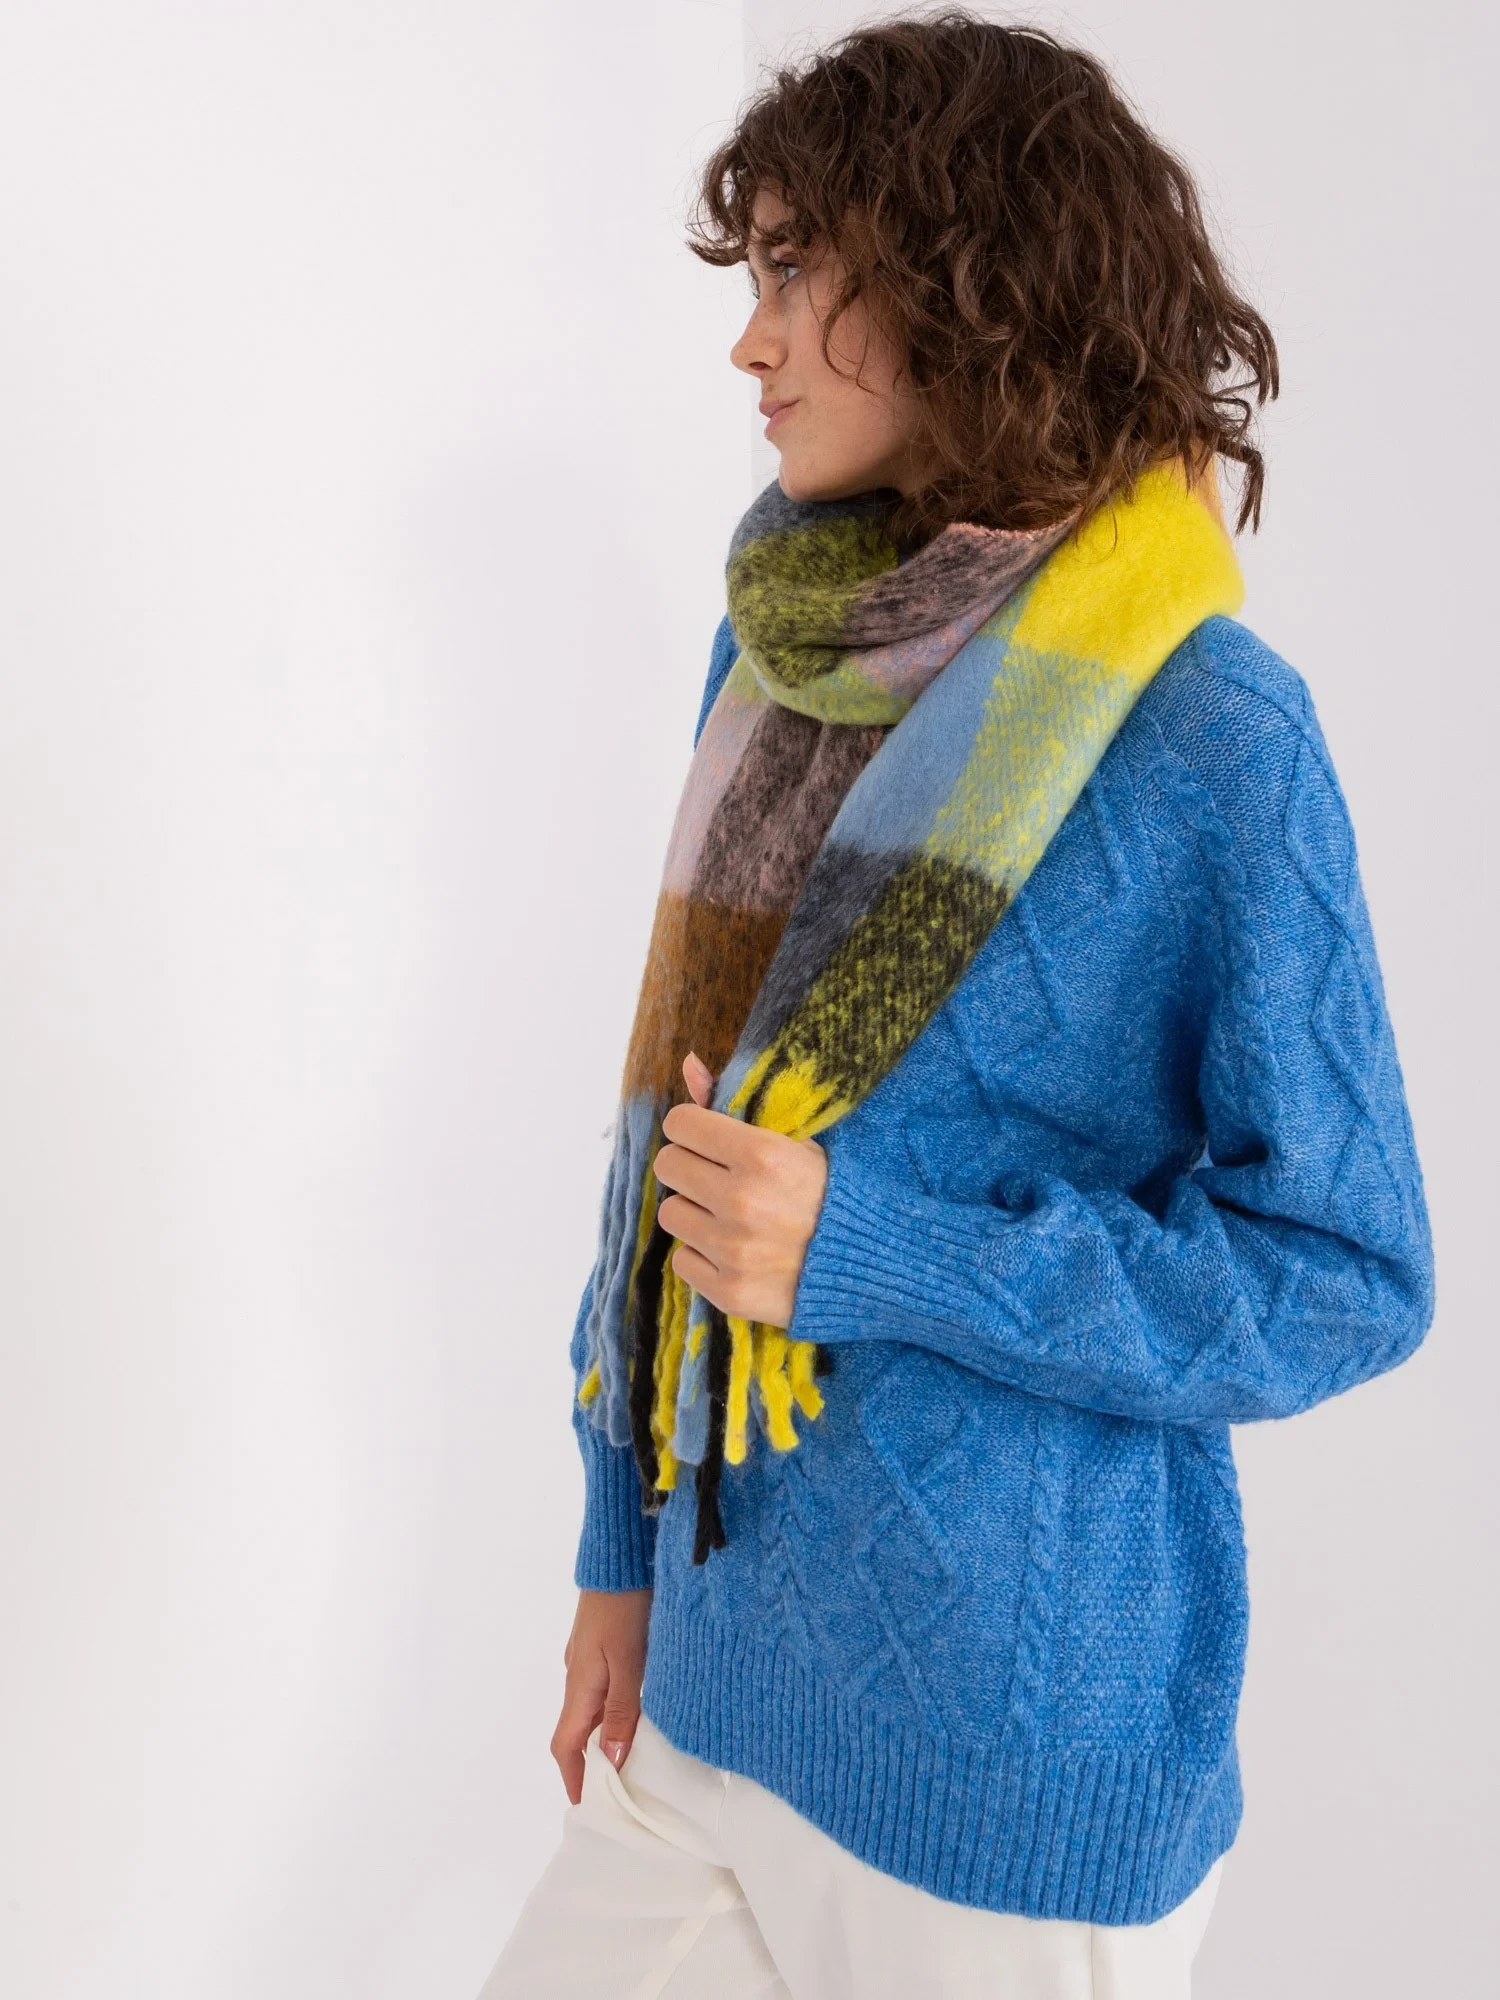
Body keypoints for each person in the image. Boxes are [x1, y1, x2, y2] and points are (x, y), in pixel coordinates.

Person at [478, 15, 1434, 1998]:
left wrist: (877, 1252)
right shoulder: (781, 664)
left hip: (1008, 1773)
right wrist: (614, 1555)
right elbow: (670, 1138)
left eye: (797, 274)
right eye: (755, 278)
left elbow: (1348, 1272)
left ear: (963, 290)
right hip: (715, 1691)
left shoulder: (1212, 734)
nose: (750, 343)